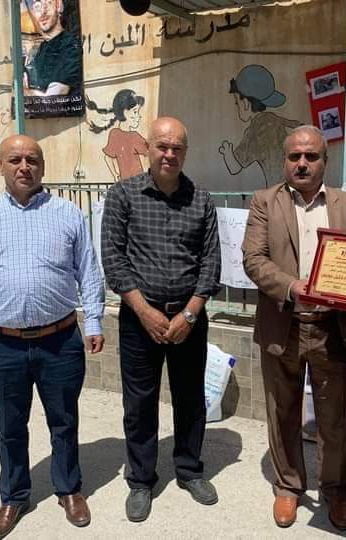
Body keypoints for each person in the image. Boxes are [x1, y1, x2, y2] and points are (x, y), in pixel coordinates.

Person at [0, 134, 105, 538]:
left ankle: (68, 489)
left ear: (42, 166)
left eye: (32, 159)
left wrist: (94, 321)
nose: (24, 167)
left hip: (60, 341)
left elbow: (88, 271)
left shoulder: (68, 214)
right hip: (2, 345)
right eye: (15, 159)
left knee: (64, 421)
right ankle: (14, 496)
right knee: (9, 427)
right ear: (0, 165)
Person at [242, 125, 346, 530]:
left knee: (335, 419)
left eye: (311, 156)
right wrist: (293, 287)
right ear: (284, 160)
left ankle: (336, 491)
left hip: (334, 328)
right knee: (282, 412)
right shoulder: (265, 202)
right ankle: (288, 485)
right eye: (294, 156)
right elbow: (254, 259)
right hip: (284, 323)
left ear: (324, 162)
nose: (302, 163)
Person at [101, 117, 221, 523]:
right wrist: (144, 310)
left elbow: (210, 262)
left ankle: (189, 469)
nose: (169, 154)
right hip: (140, 320)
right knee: (139, 403)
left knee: (190, 399)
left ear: (185, 152)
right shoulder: (123, 195)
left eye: (177, 148)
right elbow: (114, 258)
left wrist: (190, 312)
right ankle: (140, 479)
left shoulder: (201, 200)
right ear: (148, 148)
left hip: (189, 319)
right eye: (162, 146)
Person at [219, 64, 301, 188]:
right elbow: (290, 122)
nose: (237, 106)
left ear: (245, 103)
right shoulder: (271, 119)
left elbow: (234, 167)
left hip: (278, 192)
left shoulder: (256, 130)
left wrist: (227, 152)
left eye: (236, 102)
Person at [23, 0, 82, 97]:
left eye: (48, 3)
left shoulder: (70, 45)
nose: (42, 12)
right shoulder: (40, 50)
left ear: (58, 6)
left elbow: (53, 98)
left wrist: (26, 92)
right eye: (37, 7)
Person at [97, 89, 148, 181]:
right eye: (135, 111)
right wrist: (116, 175)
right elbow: (108, 157)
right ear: (124, 112)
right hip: (129, 183)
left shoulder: (133, 136)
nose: (138, 116)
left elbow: (149, 152)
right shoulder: (116, 134)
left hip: (137, 182)